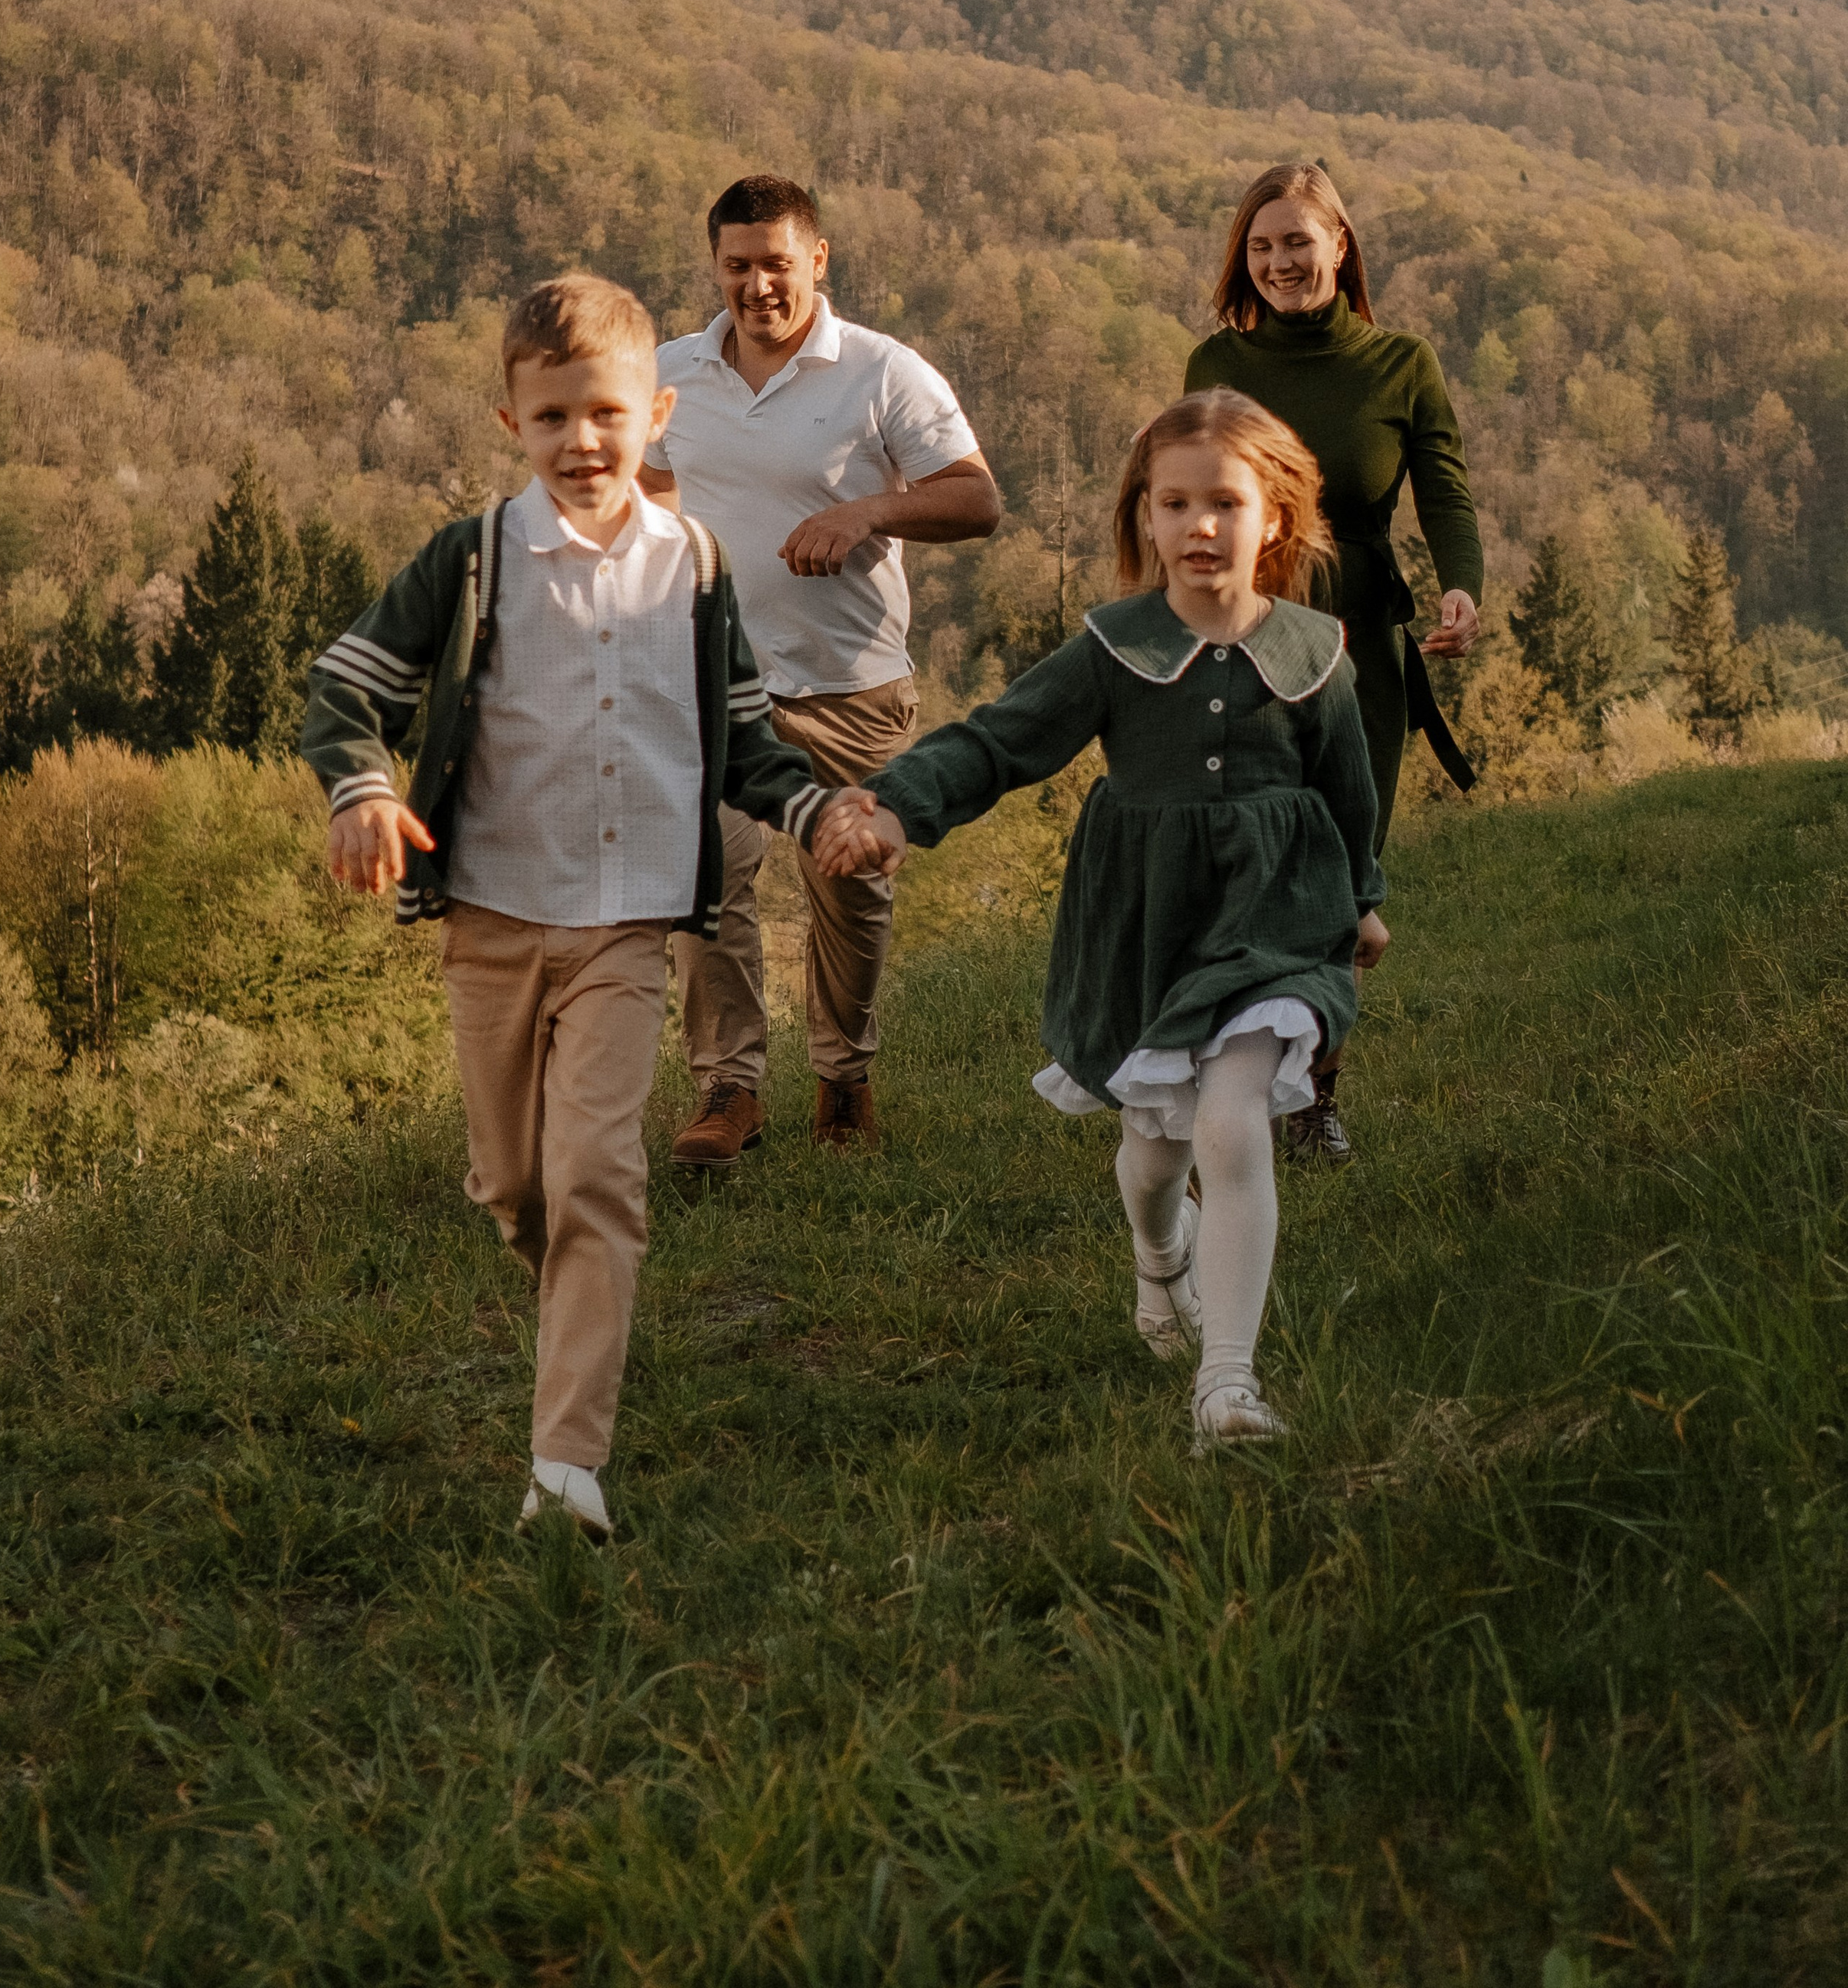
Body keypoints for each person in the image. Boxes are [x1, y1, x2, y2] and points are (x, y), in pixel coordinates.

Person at [301, 275, 833, 1543]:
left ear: (657, 416)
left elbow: (746, 741)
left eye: (606, 414)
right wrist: (362, 793)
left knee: (597, 1173)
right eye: (552, 418)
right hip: (491, 917)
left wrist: (823, 811)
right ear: (511, 423)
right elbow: (349, 684)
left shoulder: (696, 568)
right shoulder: (473, 558)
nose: (582, 441)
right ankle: (579, 1298)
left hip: (628, 923)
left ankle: (565, 1467)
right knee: (516, 1187)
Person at [814, 388, 1384, 1441]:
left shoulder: (1316, 653)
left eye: (1225, 503)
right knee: (1158, 1153)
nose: (1200, 526)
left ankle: (1227, 1384)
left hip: (1278, 919)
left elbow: (1349, 791)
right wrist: (897, 807)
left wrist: (1362, 902)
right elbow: (998, 740)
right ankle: (1159, 1261)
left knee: (1231, 1120)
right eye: (1176, 504)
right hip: (1145, 923)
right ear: (1145, 517)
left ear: (1274, 519)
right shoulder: (1115, 649)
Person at [641, 175, 1001, 1163]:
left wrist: (868, 511)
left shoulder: (883, 372)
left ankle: (843, 1080)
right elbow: (647, 479)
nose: (757, 285)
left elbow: (977, 501)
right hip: (715, 683)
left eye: (776, 265)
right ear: (715, 265)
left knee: (850, 889)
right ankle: (728, 1090)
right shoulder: (673, 371)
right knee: (705, 878)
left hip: (851, 685)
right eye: (737, 266)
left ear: (818, 260)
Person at [1184, 161, 1482, 1168]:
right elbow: (1188, 497)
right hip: (1243, 634)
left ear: (1340, 245)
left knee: (1342, 875)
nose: (1279, 263)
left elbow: (1444, 490)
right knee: (1245, 864)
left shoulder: (1401, 363)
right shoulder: (1217, 364)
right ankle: (1229, 1080)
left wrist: (1460, 586)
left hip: (1360, 649)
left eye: (1297, 243)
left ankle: (1314, 1099)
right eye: (1261, 247)